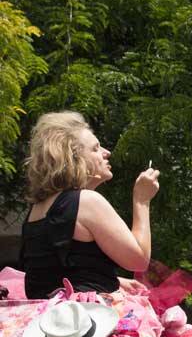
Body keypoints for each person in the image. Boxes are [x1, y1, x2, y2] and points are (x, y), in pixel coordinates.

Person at [19, 111, 160, 298]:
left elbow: (59, 272)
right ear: (74, 159)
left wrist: (113, 280)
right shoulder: (87, 201)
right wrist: (142, 200)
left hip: (49, 320)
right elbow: (139, 259)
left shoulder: (36, 209)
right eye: (95, 148)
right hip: (87, 321)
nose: (106, 153)